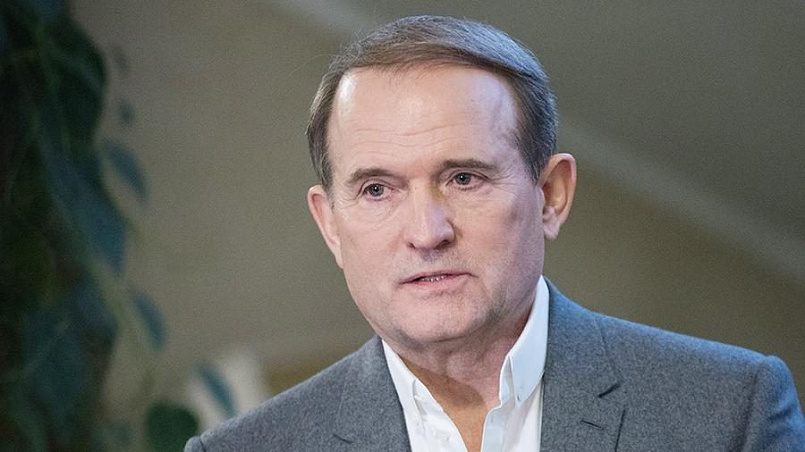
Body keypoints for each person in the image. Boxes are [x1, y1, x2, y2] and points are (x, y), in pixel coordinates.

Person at [185, 15, 805, 451]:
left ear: (551, 195)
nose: (427, 232)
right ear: (330, 224)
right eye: (377, 190)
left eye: (464, 178)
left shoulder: (730, 413)